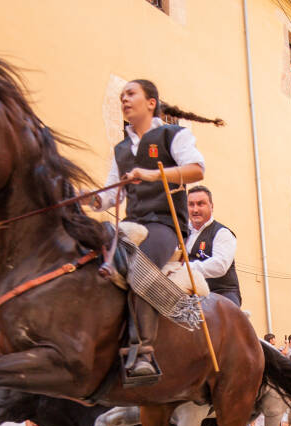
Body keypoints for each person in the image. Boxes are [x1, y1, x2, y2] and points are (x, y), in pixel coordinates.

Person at [95, 79, 219, 380]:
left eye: (131, 94)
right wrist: (94, 199)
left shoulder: (172, 135)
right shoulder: (121, 149)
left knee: (141, 267)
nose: (124, 99)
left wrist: (151, 175)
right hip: (132, 223)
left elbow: (197, 169)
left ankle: (144, 353)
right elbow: (113, 193)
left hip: (164, 224)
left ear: (151, 103)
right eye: (122, 96)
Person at [185, 186, 241, 306]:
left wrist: (186, 269)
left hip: (221, 293)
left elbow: (220, 265)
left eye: (200, 204)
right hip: (190, 295)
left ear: (211, 206)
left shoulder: (222, 233)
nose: (195, 209)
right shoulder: (182, 232)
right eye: (191, 204)